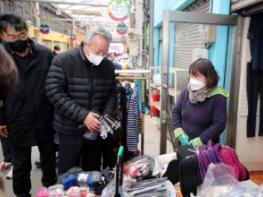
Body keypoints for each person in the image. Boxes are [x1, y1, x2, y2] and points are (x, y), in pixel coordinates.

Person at [46, 28, 116, 174]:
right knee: (68, 175)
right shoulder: (63, 61)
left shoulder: (108, 66)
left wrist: (106, 116)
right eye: (98, 52)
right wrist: (83, 116)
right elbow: (54, 92)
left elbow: (111, 94)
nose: (101, 56)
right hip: (69, 129)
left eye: (105, 52)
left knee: (93, 175)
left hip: (95, 131)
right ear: (85, 44)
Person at [0, 14, 57, 196]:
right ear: (2, 36)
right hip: (16, 119)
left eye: (22, 35)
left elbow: (56, 85)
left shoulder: (45, 55)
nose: (18, 40)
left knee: (49, 162)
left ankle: (50, 192)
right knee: (21, 166)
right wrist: (1, 120)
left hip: (44, 118)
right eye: (12, 37)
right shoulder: (2, 60)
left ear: (28, 32)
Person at [172, 58, 228, 146]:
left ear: (209, 78)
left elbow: (219, 124)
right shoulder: (186, 92)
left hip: (206, 148)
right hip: (184, 144)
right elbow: (176, 111)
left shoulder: (218, 97)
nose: (192, 79)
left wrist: (201, 140)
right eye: (191, 75)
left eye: (197, 76)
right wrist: (178, 131)